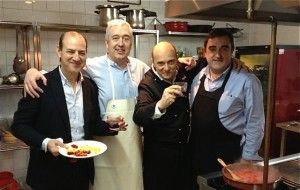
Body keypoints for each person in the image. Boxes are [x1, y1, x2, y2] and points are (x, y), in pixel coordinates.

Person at [22, 19, 150, 190]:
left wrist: (110, 125)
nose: (121, 43)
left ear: (132, 43)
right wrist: (32, 72)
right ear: (106, 43)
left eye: (126, 38)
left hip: (127, 144)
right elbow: (64, 70)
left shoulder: (139, 67)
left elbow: (161, 73)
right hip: (90, 154)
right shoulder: (92, 65)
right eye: (115, 38)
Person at [11, 31, 125, 190]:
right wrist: (46, 143)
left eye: (81, 52)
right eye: (70, 51)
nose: (76, 57)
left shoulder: (90, 87)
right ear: (59, 51)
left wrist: (111, 126)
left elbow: (91, 125)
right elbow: (19, 126)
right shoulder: (41, 83)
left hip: (81, 170)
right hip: (48, 172)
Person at [189, 28, 265, 189]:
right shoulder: (199, 76)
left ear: (232, 51)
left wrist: (248, 159)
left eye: (224, 48)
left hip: (230, 161)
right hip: (197, 158)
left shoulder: (247, 81)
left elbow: (255, 123)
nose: (218, 54)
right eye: (213, 49)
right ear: (204, 52)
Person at [133, 42, 192, 190]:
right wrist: (160, 104)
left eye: (171, 62)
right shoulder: (147, 84)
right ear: (153, 62)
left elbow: (208, 61)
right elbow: (139, 116)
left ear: (177, 59)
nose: (166, 68)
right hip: (158, 158)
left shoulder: (184, 70)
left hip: (185, 152)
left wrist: (235, 61)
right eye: (160, 63)